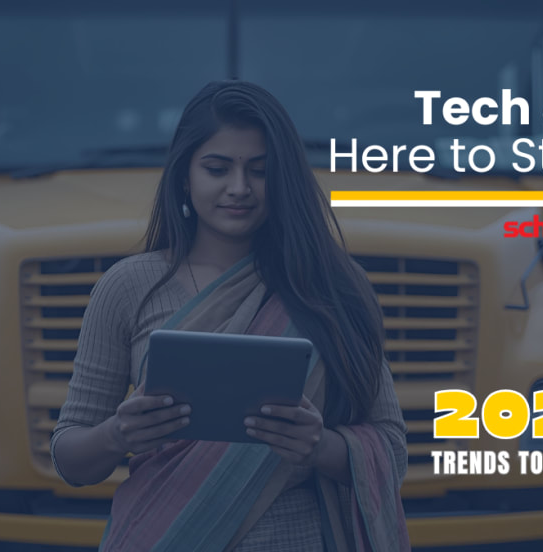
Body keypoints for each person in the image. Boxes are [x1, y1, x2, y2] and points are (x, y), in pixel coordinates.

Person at [51, 80, 410, 551]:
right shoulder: (128, 286)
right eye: (217, 169)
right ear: (185, 175)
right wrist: (118, 433)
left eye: (260, 171)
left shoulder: (334, 287)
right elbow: (70, 458)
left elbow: (392, 450)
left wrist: (318, 446)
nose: (238, 188)